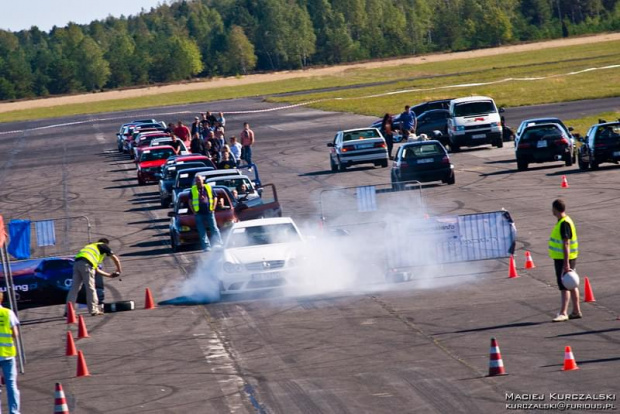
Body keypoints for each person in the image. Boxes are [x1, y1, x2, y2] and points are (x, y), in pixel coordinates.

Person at [67, 238, 121, 316]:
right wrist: (119, 270)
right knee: (90, 288)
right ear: (105, 243)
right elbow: (115, 259)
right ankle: (93, 310)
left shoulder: (90, 247)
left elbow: (97, 270)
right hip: (86, 264)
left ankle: (69, 312)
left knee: (74, 289)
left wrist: (109, 275)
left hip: (77, 263)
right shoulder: (103, 245)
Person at [549, 199, 581, 322]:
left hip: (564, 259)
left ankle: (563, 313)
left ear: (555, 209)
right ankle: (576, 311)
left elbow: (566, 243)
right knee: (571, 283)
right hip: (567, 258)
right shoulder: (565, 220)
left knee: (564, 286)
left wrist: (566, 263)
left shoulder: (564, 223)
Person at [0, 291, 20, 414]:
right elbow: (15, 333)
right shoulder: (8, 313)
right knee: (11, 385)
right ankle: (14, 411)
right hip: (7, 354)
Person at [190, 176, 222, 251]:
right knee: (201, 230)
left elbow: (215, 197)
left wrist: (213, 208)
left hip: (209, 212)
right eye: (197, 180)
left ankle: (219, 244)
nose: (198, 182)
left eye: (199, 180)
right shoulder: (193, 189)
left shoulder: (208, 187)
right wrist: (194, 211)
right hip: (199, 213)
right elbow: (190, 201)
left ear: (203, 181)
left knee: (214, 228)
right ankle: (206, 246)